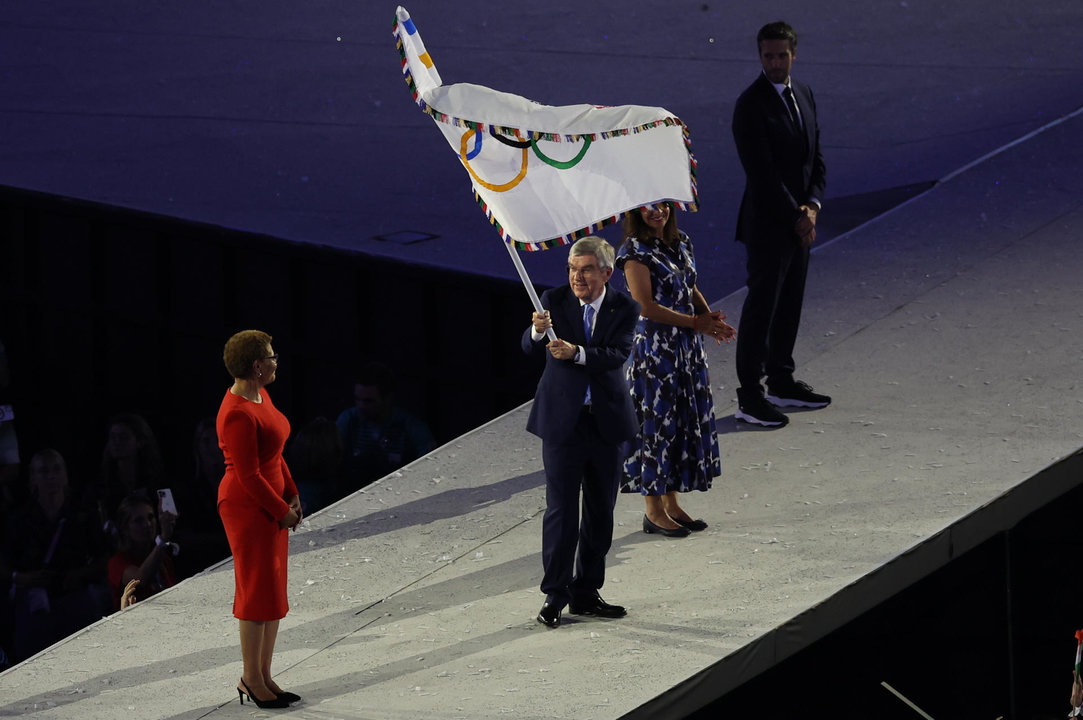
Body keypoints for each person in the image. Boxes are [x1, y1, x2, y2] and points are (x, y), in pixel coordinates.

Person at [521, 236, 640, 629]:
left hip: (606, 424)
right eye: (573, 269)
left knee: (600, 513)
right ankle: (555, 595)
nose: (577, 277)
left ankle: (587, 593)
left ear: (606, 272)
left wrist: (577, 353)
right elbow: (526, 346)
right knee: (561, 513)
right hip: (563, 424)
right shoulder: (552, 300)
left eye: (586, 269)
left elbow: (617, 354)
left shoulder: (625, 308)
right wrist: (537, 332)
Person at [732, 20, 831, 428]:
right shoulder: (750, 104)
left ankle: (781, 381)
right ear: (760, 56)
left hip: (798, 223)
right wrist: (797, 216)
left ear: (793, 55)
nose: (774, 62)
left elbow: (815, 158)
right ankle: (750, 395)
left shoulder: (803, 93)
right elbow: (762, 174)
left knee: (790, 303)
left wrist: (812, 205)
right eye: (767, 56)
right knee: (762, 309)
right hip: (770, 226)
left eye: (781, 55)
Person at [617, 203, 735, 537]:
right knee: (656, 427)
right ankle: (653, 511)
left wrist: (709, 319)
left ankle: (672, 504)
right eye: (649, 208)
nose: (657, 212)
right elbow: (646, 306)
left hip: (686, 348)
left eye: (663, 205)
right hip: (656, 353)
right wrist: (697, 322)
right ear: (636, 212)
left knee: (681, 422)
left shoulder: (680, 240)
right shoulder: (634, 252)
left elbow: (688, 284)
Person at [217, 330, 302, 709]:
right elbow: (248, 476)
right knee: (255, 590)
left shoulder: (260, 393)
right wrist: (281, 511)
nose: (275, 361)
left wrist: (292, 491)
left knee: (271, 590)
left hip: (270, 503)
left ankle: (265, 674)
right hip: (248, 509)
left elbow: (274, 452)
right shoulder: (237, 412)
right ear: (257, 366)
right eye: (271, 356)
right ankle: (250, 678)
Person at [4, 449, 111, 662]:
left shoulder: (83, 515)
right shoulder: (18, 520)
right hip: (36, 605)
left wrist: (80, 574)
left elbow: (104, 557)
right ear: (33, 478)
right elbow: (5, 561)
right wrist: (23, 578)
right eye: (43, 471)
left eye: (56, 469)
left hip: (76, 599)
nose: (51, 476)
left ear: (65, 475)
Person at [335, 362, 435, 492]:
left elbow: (428, 466)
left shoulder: (410, 426)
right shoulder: (349, 420)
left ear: (387, 398)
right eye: (357, 399)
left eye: (368, 401)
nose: (361, 406)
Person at [107, 493, 178, 610]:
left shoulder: (162, 557)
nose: (148, 524)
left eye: (150, 517)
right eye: (138, 520)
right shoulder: (116, 563)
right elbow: (140, 580)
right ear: (125, 528)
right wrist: (163, 538)